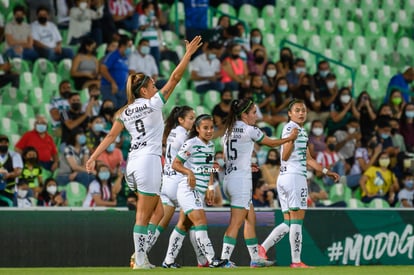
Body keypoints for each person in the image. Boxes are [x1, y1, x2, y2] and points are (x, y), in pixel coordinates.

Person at [85, 36, 203, 269]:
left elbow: (110, 137)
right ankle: (139, 260)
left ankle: (140, 254)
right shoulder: (153, 103)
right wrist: (187, 54)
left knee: (157, 212)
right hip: (148, 162)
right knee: (143, 215)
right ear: (145, 89)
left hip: (133, 163)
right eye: (153, 85)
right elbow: (175, 78)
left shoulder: (125, 111)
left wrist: (92, 157)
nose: (156, 87)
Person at [259, 99, 340, 268]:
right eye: (297, 110)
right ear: (290, 113)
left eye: (303, 110)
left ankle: (262, 249)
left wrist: (326, 171)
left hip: (287, 178)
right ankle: (296, 261)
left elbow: (308, 159)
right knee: (297, 221)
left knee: (289, 222)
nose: (301, 113)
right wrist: (291, 139)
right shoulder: (291, 129)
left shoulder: (301, 131)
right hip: (294, 177)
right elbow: (285, 156)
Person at [219, 97, 298, 267]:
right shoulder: (249, 130)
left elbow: (228, 157)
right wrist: (290, 138)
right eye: (254, 112)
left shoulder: (228, 131)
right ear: (245, 114)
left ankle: (255, 259)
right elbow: (270, 143)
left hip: (229, 179)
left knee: (250, 218)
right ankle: (224, 260)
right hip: (240, 182)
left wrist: (246, 164)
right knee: (236, 222)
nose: (256, 116)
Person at [163, 114, 225, 268]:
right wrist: (189, 173)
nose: (209, 131)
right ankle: (212, 260)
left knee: (183, 225)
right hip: (187, 190)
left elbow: (209, 167)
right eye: (205, 128)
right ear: (197, 129)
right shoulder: (191, 143)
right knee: (201, 221)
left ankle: (168, 261)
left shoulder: (210, 145)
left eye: (211, 127)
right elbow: (176, 164)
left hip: (200, 191)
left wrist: (210, 187)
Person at [100, 34, 132, 110]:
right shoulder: (113, 55)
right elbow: (103, 69)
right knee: (111, 109)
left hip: (122, 89)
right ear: (122, 46)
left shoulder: (126, 58)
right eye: (129, 46)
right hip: (110, 87)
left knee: (119, 113)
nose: (130, 49)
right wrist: (112, 82)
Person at [0, 135, 23, 207]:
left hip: (9, 188)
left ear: (8, 144)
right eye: (1, 142)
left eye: (5, 142)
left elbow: (18, 171)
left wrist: (9, 175)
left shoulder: (14, 155)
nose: (3, 144)